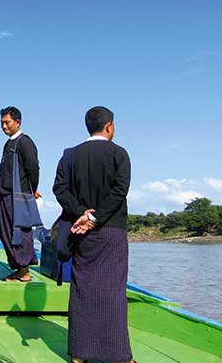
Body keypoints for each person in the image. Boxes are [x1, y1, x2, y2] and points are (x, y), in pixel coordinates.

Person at [53, 106, 135, 363]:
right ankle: (120, 356)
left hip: (80, 232)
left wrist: (81, 213)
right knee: (113, 291)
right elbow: (120, 191)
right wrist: (95, 217)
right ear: (109, 126)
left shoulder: (69, 155)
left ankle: (79, 354)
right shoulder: (119, 154)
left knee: (82, 289)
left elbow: (59, 189)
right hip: (110, 231)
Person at [0, 106, 40, 282]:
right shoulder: (8, 143)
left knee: (20, 231)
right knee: (6, 232)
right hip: (5, 194)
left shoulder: (25, 142)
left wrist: (31, 188)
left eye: (7, 122)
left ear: (18, 122)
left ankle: (24, 270)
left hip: (18, 196)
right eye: (2, 123)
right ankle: (19, 268)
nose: (4, 126)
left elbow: (33, 169)